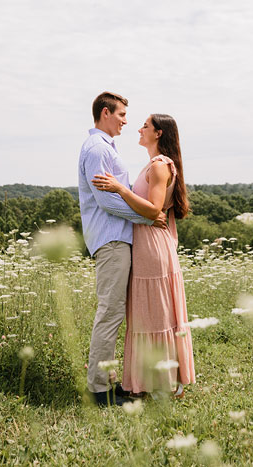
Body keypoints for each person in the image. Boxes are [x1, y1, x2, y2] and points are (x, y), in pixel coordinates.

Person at [92, 113, 196, 397]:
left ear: (158, 133)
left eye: (145, 126)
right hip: (146, 245)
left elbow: (153, 210)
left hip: (152, 247)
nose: (138, 128)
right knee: (146, 316)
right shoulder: (152, 165)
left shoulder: (160, 166)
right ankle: (152, 383)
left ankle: (164, 384)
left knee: (155, 317)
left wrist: (119, 189)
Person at [78, 91, 166, 407]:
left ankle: (110, 383)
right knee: (110, 313)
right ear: (105, 113)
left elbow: (120, 193)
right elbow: (107, 200)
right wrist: (147, 215)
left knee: (116, 313)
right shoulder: (97, 149)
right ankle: (99, 393)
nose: (126, 122)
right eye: (122, 115)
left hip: (118, 240)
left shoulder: (104, 148)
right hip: (112, 241)